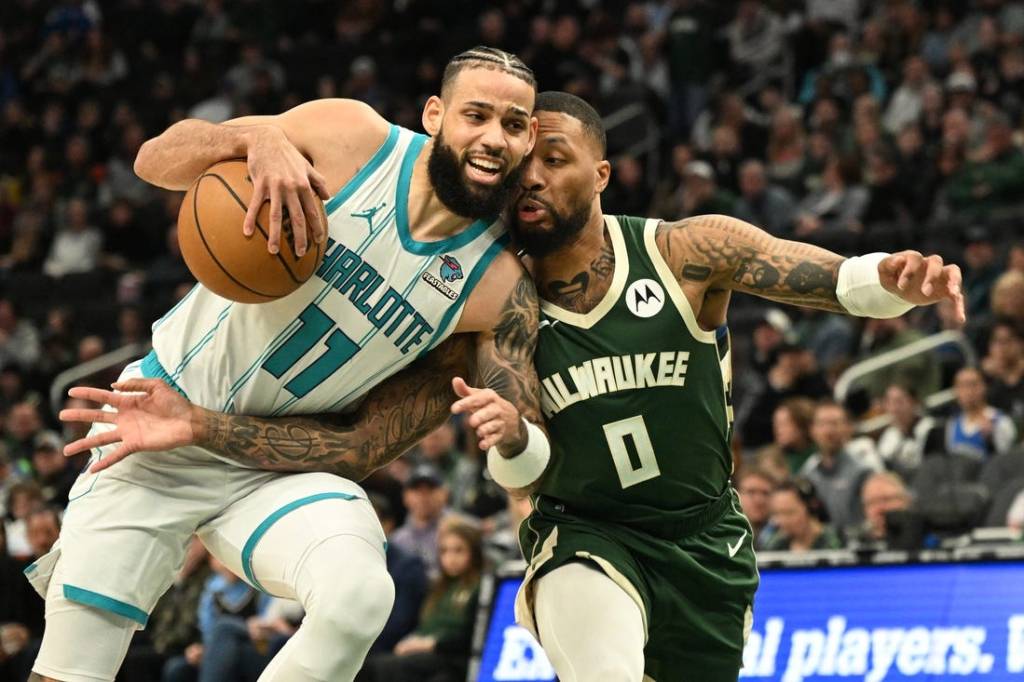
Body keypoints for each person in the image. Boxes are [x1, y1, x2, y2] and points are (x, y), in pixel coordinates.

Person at [65, 91, 965, 681]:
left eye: (556, 159)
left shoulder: (682, 250)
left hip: (706, 544)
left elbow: (803, 270)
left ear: (602, 174)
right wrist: (508, 437)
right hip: (583, 536)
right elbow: (500, 456)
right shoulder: (492, 306)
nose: (530, 176)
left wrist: (892, 278)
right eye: (521, 163)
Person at [34, 46, 547, 682]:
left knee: (359, 598)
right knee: (69, 670)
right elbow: (154, 160)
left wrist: (201, 426)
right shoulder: (351, 136)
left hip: (277, 465)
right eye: (477, 114)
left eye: (516, 124)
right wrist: (252, 140)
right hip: (151, 421)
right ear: (435, 114)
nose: (494, 137)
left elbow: (362, 447)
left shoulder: (496, 289)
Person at [358, 514, 482, 682]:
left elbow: (472, 635)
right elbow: (423, 625)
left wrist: (431, 644)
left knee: (379, 668)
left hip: (452, 659)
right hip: (424, 656)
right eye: (444, 551)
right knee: (369, 665)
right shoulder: (439, 588)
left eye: (459, 550)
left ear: (474, 551)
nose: (451, 558)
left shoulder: (481, 587)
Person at [764, 479, 843, 552]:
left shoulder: (835, 542)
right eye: (776, 513)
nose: (781, 521)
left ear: (810, 508)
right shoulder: (775, 545)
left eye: (789, 513)